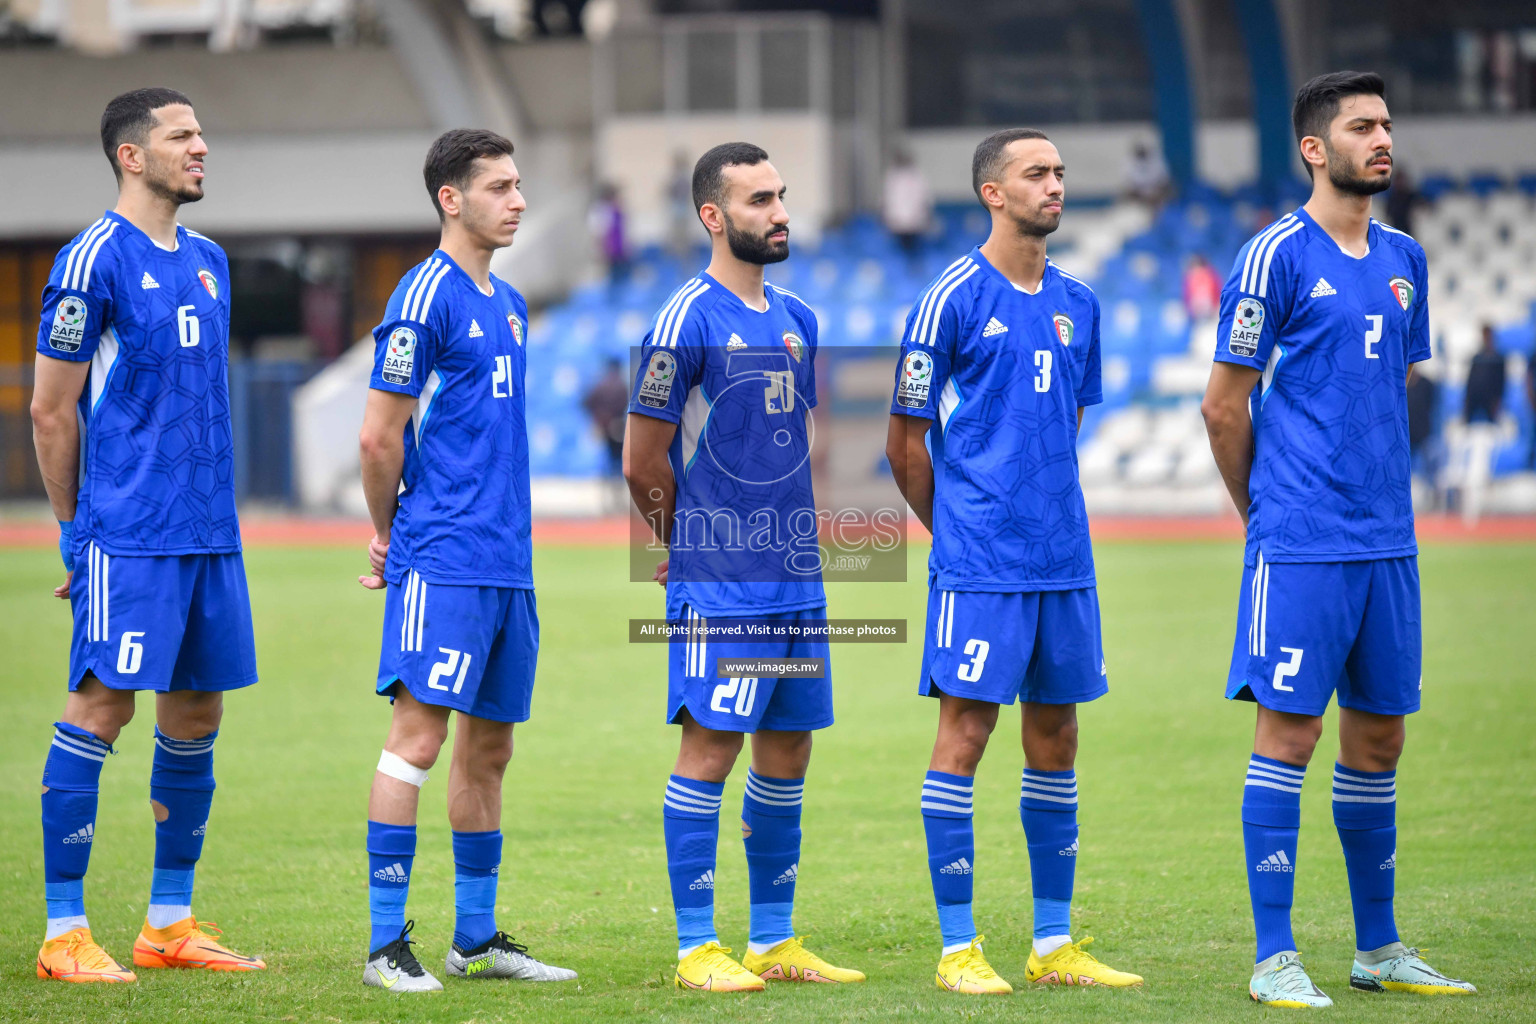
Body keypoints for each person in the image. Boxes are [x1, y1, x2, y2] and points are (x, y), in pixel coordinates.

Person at [1201, 71, 1476, 1008]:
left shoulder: (1406, 256)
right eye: (1363, 126)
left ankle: (1380, 947)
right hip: (1302, 538)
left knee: (1381, 740)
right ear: (1316, 148)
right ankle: (1274, 956)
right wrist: (1264, 513)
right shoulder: (1273, 255)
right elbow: (1222, 404)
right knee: (1291, 731)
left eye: (1389, 123)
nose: (1383, 138)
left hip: (1387, 543)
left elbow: (1391, 387)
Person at [886, 128, 1142, 996]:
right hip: (981, 564)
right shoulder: (950, 298)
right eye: (1037, 174)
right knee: (965, 735)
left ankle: (1053, 943)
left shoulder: (1080, 301)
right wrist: (954, 530)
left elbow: (1068, 422)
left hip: (1063, 559)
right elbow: (905, 441)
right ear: (993, 192)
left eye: (1062, 173)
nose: (1056, 186)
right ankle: (958, 948)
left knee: (1058, 737)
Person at [30, 87, 264, 983]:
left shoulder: (209, 258)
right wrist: (73, 530)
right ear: (132, 155)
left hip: (210, 532)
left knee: (197, 713)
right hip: (128, 532)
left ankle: (168, 924)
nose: (201, 147)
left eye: (201, 131)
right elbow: (53, 411)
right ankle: (63, 931)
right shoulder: (91, 260)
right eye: (182, 136)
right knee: (102, 705)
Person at [623, 142, 864, 993]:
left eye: (783, 195)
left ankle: (772, 940)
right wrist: (678, 543)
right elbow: (642, 457)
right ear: (714, 217)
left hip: (795, 576)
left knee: (788, 749)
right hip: (722, 581)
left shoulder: (799, 320)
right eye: (760, 200)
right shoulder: (681, 319)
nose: (781, 212)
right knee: (712, 746)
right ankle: (696, 948)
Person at [355, 128, 576, 992]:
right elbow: (378, 435)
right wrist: (390, 533)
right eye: (500, 186)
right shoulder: (423, 298)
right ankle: (384, 946)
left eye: (519, 185)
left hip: (506, 567)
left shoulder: (510, 302)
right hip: (442, 556)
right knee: (417, 737)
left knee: (489, 751)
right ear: (452, 198)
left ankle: (475, 940)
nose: (517, 199)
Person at [1460, 325, 1506, 526]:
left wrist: (1496, 410)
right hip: (1475, 418)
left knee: (1485, 462)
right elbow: (1470, 387)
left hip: (1490, 418)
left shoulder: (1498, 360)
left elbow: (1500, 387)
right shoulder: (1477, 359)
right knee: (1472, 464)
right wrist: (1466, 412)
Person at [583, 356, 631, 511]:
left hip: (603, 428)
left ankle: (606, 501)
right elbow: (625, 406)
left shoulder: (600, 384)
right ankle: (618, 500)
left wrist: (598, 419)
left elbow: (586, 402)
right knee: (618, 463)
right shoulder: (621, 385)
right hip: (617, 427)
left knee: (606, 463)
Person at [883, 148, 933, 258]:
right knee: (898, 254)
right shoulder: (892, 176)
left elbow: (923, 198)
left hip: (915, 224)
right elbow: (889, 200)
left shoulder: (917, 176)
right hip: (897, 224)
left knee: (915, 252)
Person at [1123, 140, 1169, 207]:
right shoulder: (1129, 163)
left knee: (1170, 190)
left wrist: (1155, 192)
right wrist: (1142, 194)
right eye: (1140, 150)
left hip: (1156, 193)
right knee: (1126, 194)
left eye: (1143, 150)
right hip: (1139, 195)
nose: (1142, 152)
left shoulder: (1157, 160)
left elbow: (1164, 179)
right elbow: (1129, 184)